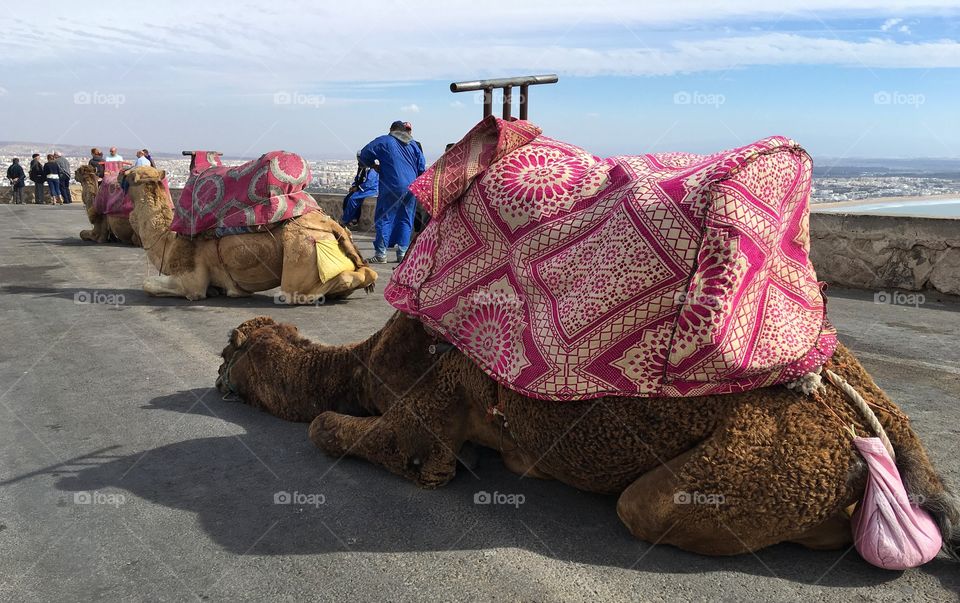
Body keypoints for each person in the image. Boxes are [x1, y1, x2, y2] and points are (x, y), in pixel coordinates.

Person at [358, 120, 425, 263]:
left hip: (391, 185)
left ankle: (381, 254)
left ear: (391, 130)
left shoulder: (385, 141)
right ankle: (402, 253)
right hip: (412, 187)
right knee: (406, 218)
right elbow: (421, 167)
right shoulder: (413, 144)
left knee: (385, 217)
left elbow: (364, 154)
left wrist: (373, 165)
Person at [340, 156, 378, 227]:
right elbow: (358, 179)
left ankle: (347, 220)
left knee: (353, 199)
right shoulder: (362, 168)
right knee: (347, 199)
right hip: (363, 188)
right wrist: (354, 186)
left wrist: (358, 188)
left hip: (369, 189)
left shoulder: (371, 169)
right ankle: (350, 219)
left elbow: (370, 183)